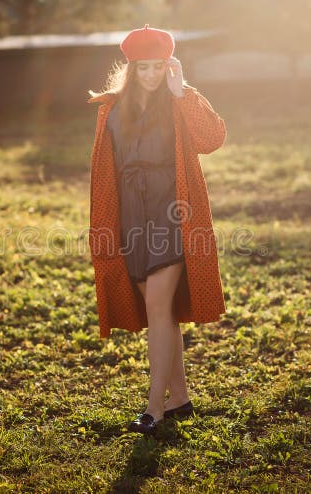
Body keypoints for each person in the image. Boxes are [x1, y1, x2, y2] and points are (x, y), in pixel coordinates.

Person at [87, 24, 227, 435]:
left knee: (159, 307)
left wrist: (182, 92)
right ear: (131, 68)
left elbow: (212, 139)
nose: (151, 75)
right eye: (143, 67)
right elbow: (103, 170)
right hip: (131, 217)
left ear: (170, 66)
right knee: (160, 314)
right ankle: (180, 397)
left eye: (159, 66)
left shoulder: (181, 101)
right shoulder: (110, 109)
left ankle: (154, 408)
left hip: (173, 214)